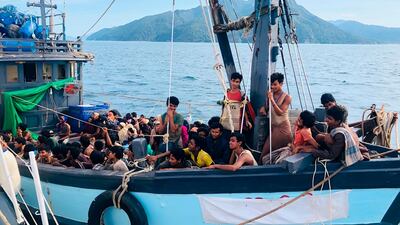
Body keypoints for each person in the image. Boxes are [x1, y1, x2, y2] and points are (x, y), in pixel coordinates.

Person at [260, 72, 292, 162]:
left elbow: (280, 112)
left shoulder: (287, 97)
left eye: (275, 84)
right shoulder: (270, 94)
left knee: (265, 152)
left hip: (282, 128)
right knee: (268, 153)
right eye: (271, 85)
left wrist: (272, 100)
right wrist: (263, 108)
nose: (272, 87)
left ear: (281, 84)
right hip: (273, 128)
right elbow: (266, 108)